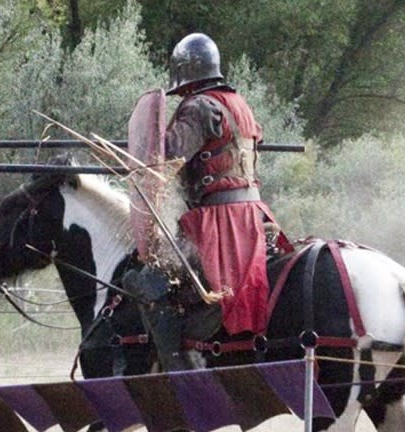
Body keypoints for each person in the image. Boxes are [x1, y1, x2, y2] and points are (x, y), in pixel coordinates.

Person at [122, 32, 289, 372]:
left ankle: (173, 366)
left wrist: (139, 154)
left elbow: (166, 157)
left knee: (151, 278)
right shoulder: (238, 104)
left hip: (218, 220)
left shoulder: (198, 107)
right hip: (253, 213)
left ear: (184, 73)